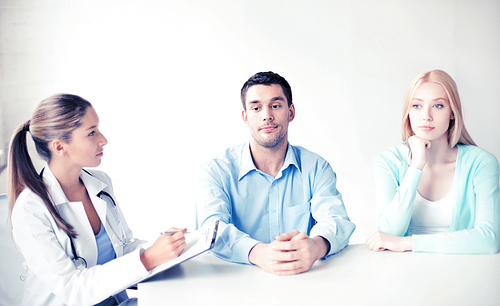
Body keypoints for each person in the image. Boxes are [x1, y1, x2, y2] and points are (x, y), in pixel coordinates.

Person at [8, 94, 187, 305]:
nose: (103, 140)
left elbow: (122, 247)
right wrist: (148, 259)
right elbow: (73, 290)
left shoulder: (100, 183)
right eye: (91, 133)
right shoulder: (30, 210)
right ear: (59, 147)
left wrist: (167, 249)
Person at [196, 71, 355, 276]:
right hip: (232, 285)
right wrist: (259, 253)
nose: (266, 115)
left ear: (290, 112)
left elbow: (336, 220)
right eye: (256, 108)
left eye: (275, 105)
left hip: (303, 282)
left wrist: (316, 246)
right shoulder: (216, 170)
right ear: (246, 117)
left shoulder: (316, 167)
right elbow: (212, 229)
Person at [366, 70, 500, 254]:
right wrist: (416, 167)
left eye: (438, 106)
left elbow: (489, 240)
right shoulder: (388, 161)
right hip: (401, 272)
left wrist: (408, 243)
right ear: (408, 113)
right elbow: (387, 234)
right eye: (417, 106)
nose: (426, 116)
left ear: (452, 112)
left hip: (462, 272)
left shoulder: (481, 163)